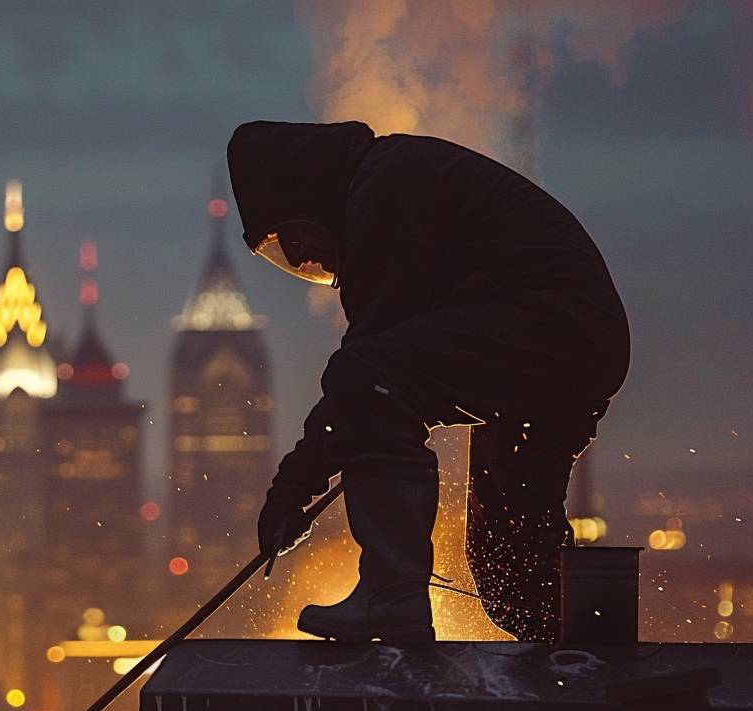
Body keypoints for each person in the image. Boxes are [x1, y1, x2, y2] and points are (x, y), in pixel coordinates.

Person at [227, 120, 630, 643]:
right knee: (507, 560)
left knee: (367, 377)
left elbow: (367, 370)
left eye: (292, 235)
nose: (302, 256)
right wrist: (302, 479)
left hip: (552, 330)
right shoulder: (390, 181)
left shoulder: (384, 187)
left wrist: (292, 486)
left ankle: (392, 594)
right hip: (572, 346)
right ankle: (582, 650)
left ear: (307, 193)